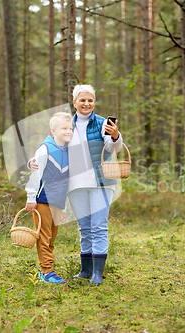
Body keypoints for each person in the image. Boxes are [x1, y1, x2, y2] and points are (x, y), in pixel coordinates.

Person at [28, 85, 123, 285]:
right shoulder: (67, 124)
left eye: (90, 100)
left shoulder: (102, 123)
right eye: (82, 100)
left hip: (101, 182)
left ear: (94, 102)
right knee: (85, 228)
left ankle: (97, 273)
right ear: (74, 102)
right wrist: (33, 161)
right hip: (76, 184)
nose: (86, 103)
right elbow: (51, 146)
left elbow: (113, 148)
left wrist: (115, 136)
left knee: (98, 226)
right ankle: (85, 270)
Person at [25, 112, 73, 284]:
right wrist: (31, 197)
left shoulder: (67, 149)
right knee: (44, 236)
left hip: (57, 202)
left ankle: (48, 268)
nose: (68, 131)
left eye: (70, 128)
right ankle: (46, 271)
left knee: (52, 237)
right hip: (43, 200)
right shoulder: (45, 148)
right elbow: (36, 174)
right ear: (53, 130)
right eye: (64, 128)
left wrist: (64, 207)